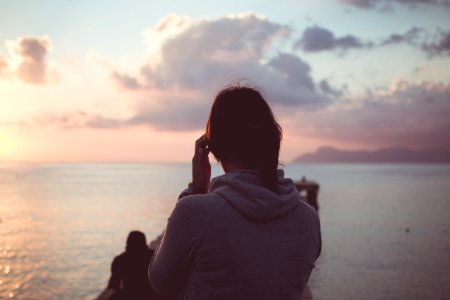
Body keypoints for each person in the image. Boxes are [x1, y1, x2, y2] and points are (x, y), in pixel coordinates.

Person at [149, 84, 322, 299]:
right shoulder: (309, 219)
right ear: (272, 141)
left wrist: (195, 190)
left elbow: (160, 282)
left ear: (214, 145)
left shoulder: (194, 212)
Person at [106, 231, 161, 300]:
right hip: (152, 296)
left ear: (128, 244)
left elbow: (113, 285)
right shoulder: (153, 256)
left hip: (130, 296)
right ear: (144, 243)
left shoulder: (120, 260)